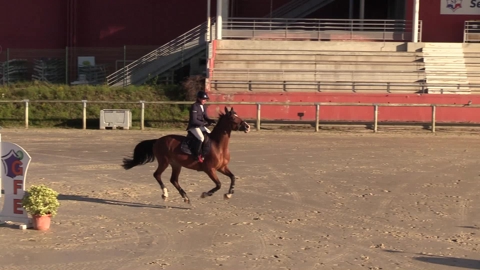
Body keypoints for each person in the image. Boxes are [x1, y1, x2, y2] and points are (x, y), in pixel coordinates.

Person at [186, 91, 216, 162]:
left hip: (200, 126)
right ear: (198, 98)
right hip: (193, 126)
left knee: (210, 135)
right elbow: (193, 120)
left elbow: (205, 116)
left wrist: (211, 120)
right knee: (201, 138)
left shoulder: (203, 106)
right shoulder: (194, 106)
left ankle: (206, 152)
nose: (205, 100)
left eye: (205, 99)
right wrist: (203, 123)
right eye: (203, 99)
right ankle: (197, 155)